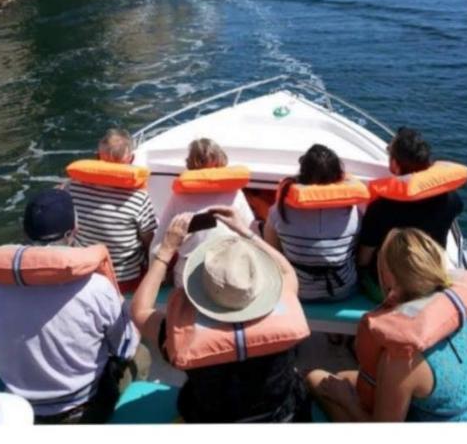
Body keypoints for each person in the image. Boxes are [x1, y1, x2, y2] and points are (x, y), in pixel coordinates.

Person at [0, 189, 148, 424]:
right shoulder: (97, 287)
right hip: (82, 409)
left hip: (20, 407)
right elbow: (125, 347)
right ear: (72, 232)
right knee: (142, 355)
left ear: (26, 232)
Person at [132, 207, 311, 423]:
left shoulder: (178, 330)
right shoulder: (285, 298)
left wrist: (166, 252)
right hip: (280, 416)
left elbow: (139, 311)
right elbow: (287, 272)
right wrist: (246, 232)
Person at [306, 227, 467, 422]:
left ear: (391, 281)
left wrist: (346, 401)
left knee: (316, 378)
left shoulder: (400, 356)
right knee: (343, 376)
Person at [358, 128, 465, 300]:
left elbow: (364, 258)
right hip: (431, 282)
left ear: (395, 164)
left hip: (388, 291)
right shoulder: (452, 200)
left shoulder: (381, 208)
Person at [150, 138, 255, 286]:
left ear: (190, 164)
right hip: (227, 270)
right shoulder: (235, 193)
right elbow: (250, 231)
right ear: (222, 161)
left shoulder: (179, 197)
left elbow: (158, 243)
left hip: (188, 272)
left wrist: (158, 278)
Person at [65, 129, 157, 293]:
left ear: (97, 157)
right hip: (125, 279)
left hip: (86, 271)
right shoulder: (139, 197)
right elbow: (149, 241)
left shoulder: (72, 188)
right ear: (132, 160)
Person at [265, 144, 361, 301]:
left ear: (302, 174)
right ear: (338, 175)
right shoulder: (352, 211)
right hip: (343, 289)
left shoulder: (279, 210)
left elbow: (273, 253)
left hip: (297, 290)